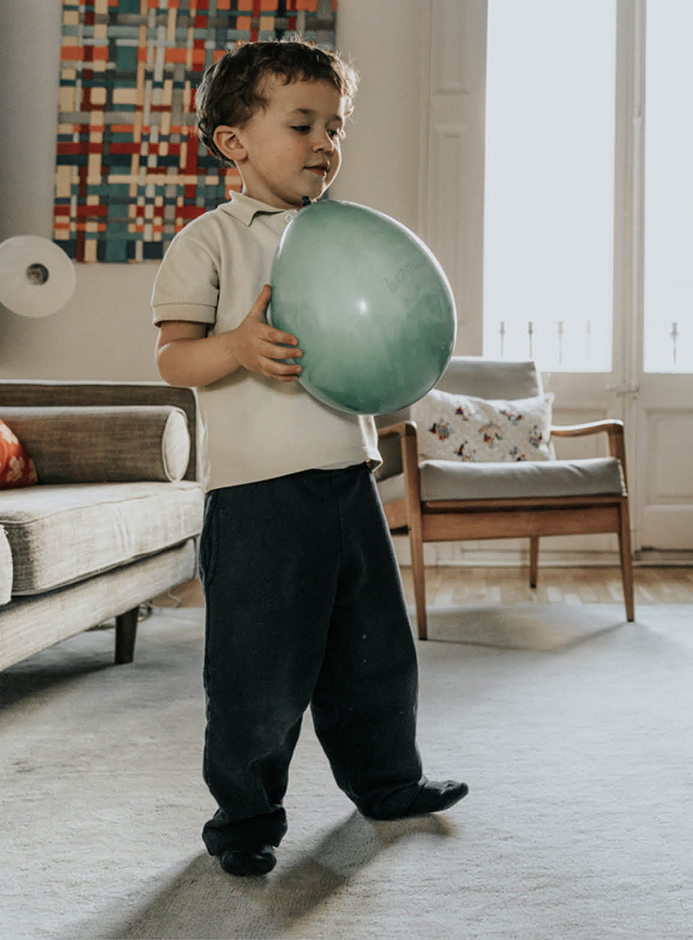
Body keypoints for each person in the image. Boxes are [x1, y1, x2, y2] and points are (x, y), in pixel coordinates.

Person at [152, 40, 467, 878]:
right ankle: (246, 817)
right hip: (257, 498)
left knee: (375, 652)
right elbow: (175, 360)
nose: (326, 141)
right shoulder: (208, 241)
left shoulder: (344, 235)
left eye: (337, 125)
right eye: (303, 123)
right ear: (234, 141)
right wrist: (240, 346)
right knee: (257, 671)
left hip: (345, 482)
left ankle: (389, 782)